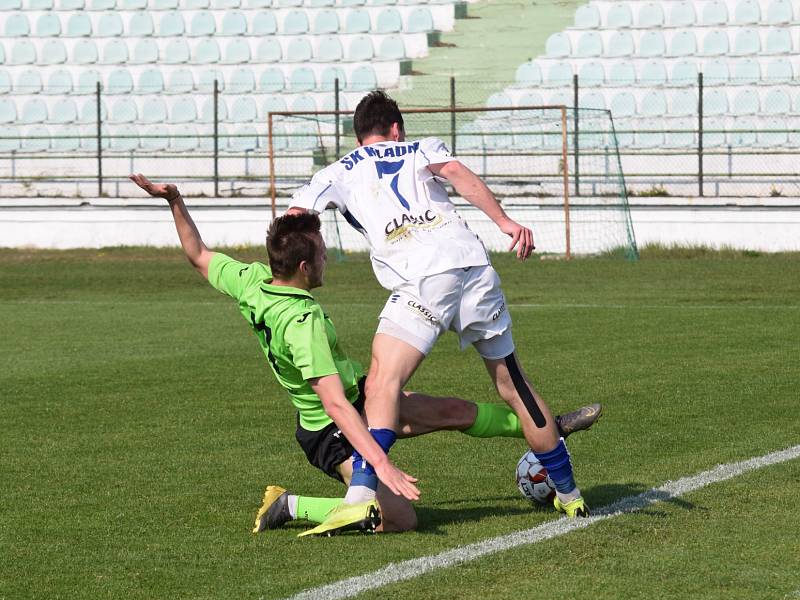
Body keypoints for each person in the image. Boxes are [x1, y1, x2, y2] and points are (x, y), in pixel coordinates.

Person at [129, 174, 602, 536]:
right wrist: (382, 462)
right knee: (399, 518)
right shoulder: (302, 325)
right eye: (321, 253)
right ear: (302, 266)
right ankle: (289, 505)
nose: (327, 259)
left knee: (453, 411)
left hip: (357, 400)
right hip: (330, 432)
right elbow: (334, 405)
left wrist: (174, 200)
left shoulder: (253, 280)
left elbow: (198, 254)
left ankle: (548, 428)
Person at [288, 90, 591, 521]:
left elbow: (296, 213)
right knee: (514, 386)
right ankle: (571, 495)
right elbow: (455, 172)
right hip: (473, 264)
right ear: (396, 128)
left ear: (360, 139)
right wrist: (504, 222)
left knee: (381, 384)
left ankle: (361, 492)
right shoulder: (422, 147)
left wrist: (297, 260)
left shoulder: (338, 171)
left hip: (424, 276)